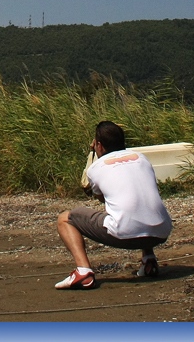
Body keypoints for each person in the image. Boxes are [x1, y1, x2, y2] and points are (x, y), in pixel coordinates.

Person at [54, 120, 172, 289]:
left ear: (99, 145)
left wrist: (93, 154)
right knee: (141, 204)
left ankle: (83, 271)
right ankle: (149, 259)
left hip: (127, 234)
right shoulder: (142, 158)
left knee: (65, 218)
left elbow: (102, 198)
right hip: (161, 231)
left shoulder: (96, 168)